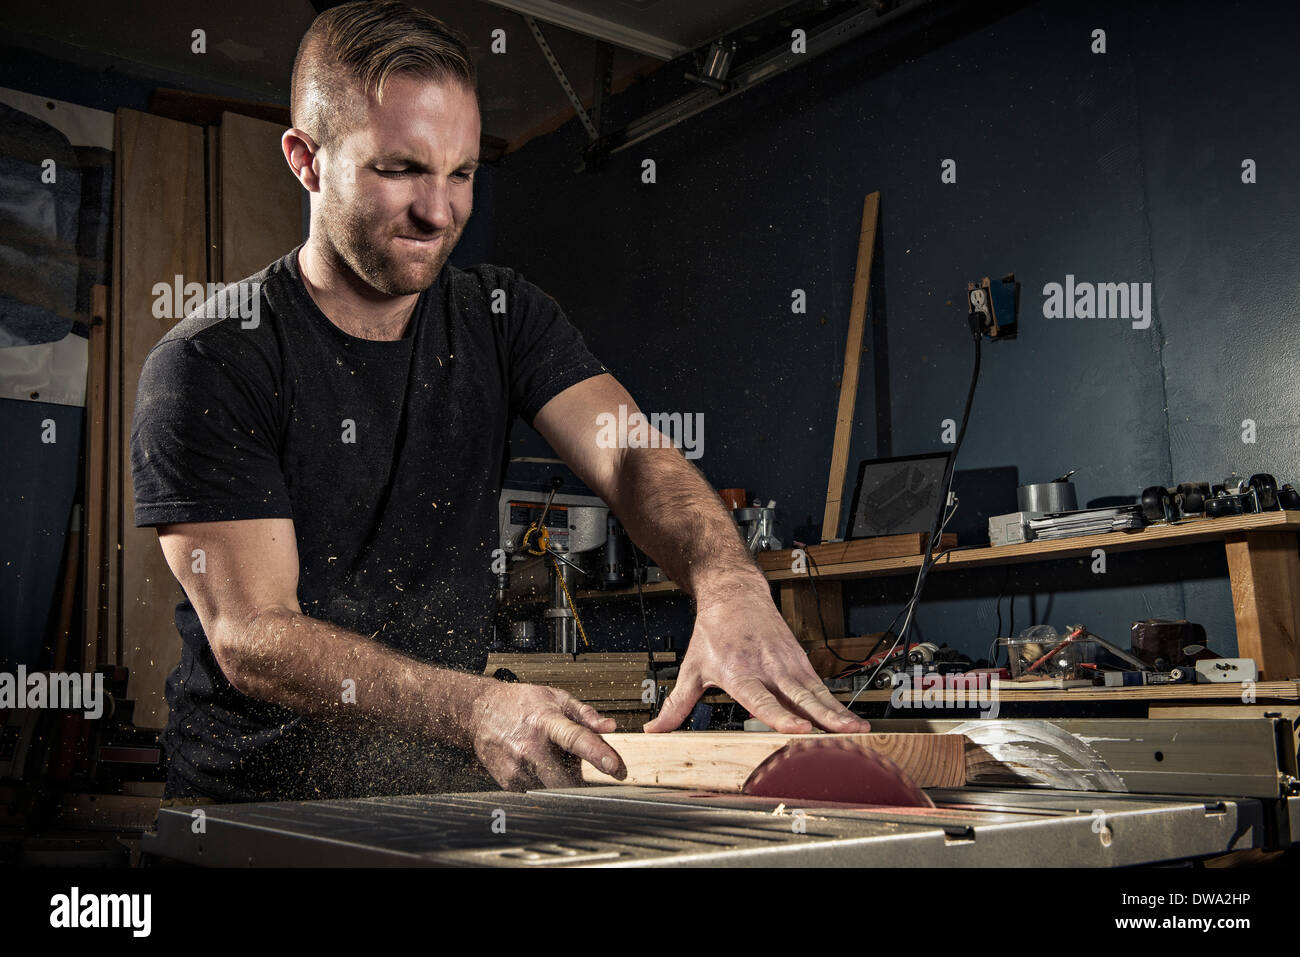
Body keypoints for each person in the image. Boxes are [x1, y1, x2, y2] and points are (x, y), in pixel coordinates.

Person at [130, 0, 869, 804]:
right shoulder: (213, 361)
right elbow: (253, 635)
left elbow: (626, 452)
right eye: (400, 169)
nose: (439, 212)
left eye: (462, 172)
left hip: (443, 796)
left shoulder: (503, 316)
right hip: (255, 812)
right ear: (306, 159)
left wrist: (727, 578)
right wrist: (475, 706)